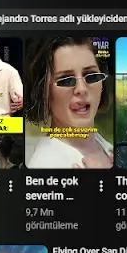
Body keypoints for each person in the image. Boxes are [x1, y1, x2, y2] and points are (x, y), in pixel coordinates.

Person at [24, 37, 114, 169]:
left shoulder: (107, 148)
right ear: (43, 92)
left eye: (91, 76)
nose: (81, 89)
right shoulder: (45, 165)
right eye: (66, 80)